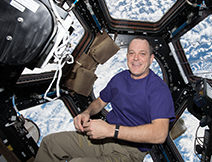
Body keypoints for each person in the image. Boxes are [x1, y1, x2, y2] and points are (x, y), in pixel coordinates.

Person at [34, 37, 175, 162]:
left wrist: (111, 130)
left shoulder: (158, 89)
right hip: (104, 139)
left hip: (131, 152)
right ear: (127, 56)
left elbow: (159, 134)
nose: (136, 58)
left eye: (142, 54)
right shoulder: (119, 79)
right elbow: (101, 101)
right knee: (50, 144)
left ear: (151, 59)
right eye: (132, 53)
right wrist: (87, 112)